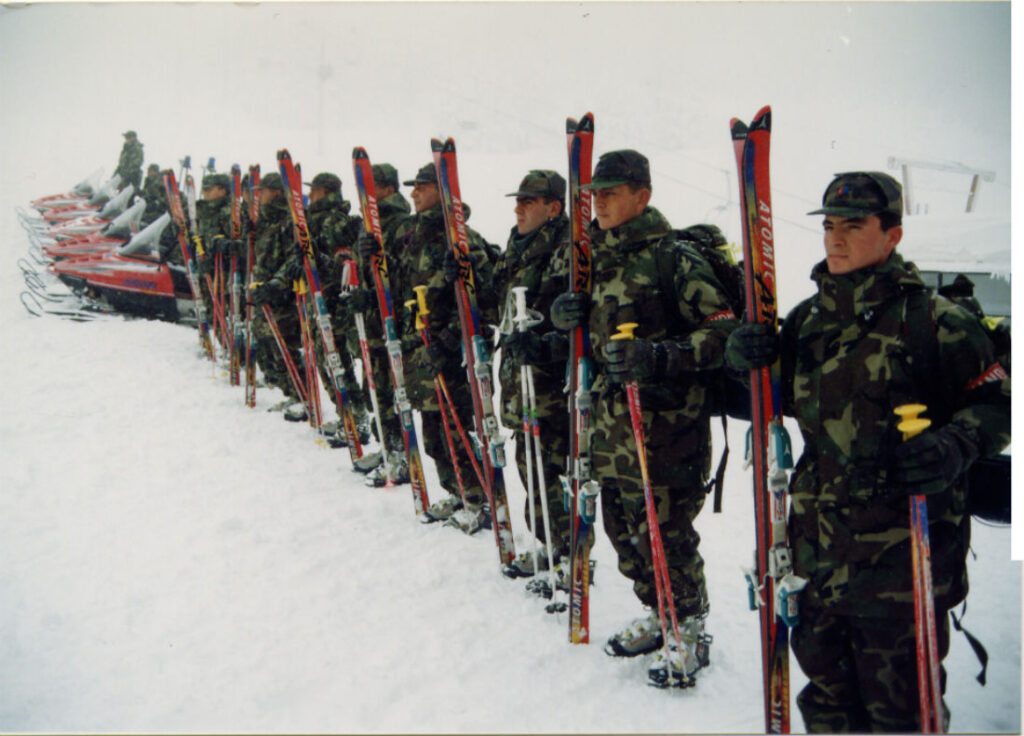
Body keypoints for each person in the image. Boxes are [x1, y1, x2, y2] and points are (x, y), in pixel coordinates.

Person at [724, 171, 1011, 732]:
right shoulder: (806, 322)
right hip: (816, 557)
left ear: (892, 235)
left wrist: (957, 443)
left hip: (902, 565)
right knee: (828, 705)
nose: (835, 238)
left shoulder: (938, 323)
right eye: (829, 225)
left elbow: (996, 403)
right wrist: (744, 359)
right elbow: (772, 397)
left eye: (853, 226)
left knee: (902, 713)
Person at [549, 150, 738, 685]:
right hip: (610, 427)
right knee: (624, 533)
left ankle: (689, 627)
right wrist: (565, 317)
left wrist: (661, 356)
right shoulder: (594, 258)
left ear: (642, 196)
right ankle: (660, 614)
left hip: (665, 428)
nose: (598, 201)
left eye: (611, 191)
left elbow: (723, 331)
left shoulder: (672, 257)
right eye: (594, 192)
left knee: (667, 532)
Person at [370, 162, 502, 533]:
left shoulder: (463, 239)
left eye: (422, 188)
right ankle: (458, 490)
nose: (413, 194)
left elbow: (484, 299)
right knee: (433, 430)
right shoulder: (411, 237)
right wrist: (370, 254)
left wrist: (451, 339)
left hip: (452, 348)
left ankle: (480, 497)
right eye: (413, 188)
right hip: (420, 348)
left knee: (456, 426)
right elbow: (391, 279)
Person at [493, 170, 574, 583]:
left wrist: (546, 344)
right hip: (521, 382)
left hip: (551, 387)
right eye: (518, 200)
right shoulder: (520, 246)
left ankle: (570, 554)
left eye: (528, 201)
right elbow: (501, 305)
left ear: (553, 207)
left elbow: (575, 321)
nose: (518, 208)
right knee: (532, 467)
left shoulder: (567, 249)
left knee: (552, 470)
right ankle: (550, 545)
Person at [294, 171, 372, 442]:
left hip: (335, 302)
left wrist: (322, 261)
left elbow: (344, 259)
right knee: (327, 359)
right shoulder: (312, 221)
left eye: (313, 190)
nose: (310, 195)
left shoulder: (334, 220)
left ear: (324, 192)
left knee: (338, 361)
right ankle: (346, 415)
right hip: (320, 300)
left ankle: (357, 417)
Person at [347, 163, 414, 482]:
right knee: (376, 389)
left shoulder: (401, 223)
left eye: (371, 189)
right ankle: (388, 446)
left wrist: (380, 259)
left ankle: (400, 453)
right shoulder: (368, 224)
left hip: (393, 322)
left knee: (390, 390)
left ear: (387, 189)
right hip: (373, 322)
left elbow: (402, 275)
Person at [247, 172, 307, 415]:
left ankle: (302, 396)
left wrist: (275, 284)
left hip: (283, 296)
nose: (259, 196)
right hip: (264, 291)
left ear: (277, 193)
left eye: (264, 191)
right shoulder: (266, 221)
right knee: (266, 342)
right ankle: (288, 389)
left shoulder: (287, 221)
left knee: (285, 346)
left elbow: (293, 258)